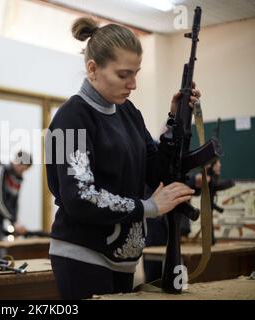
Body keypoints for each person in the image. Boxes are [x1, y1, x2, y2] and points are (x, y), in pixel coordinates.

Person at [45, 17, 201, 299]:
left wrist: (174, 122)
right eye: (123, 74)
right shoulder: (70, 117)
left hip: (125, 259)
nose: (133, 84)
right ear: (93, 69)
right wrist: (148, 207)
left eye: (136, 73)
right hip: (81, 257)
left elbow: (156, 173)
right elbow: (79, 198)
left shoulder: (129, 113)